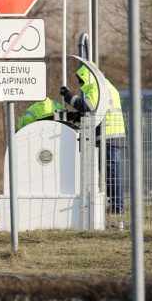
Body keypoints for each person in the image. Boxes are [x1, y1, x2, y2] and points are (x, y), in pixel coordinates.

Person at [60, 65, 126, 213]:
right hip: (112, 133)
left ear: (87, 77)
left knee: (112, 173)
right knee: (110, 173)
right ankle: (115, 205)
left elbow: (87, 106)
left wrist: (69, 96)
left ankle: (117, 207)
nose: (81, 85)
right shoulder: (106, 85)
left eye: (81, 81)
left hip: (108, 134)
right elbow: (96, 110)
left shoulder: (97, 88)